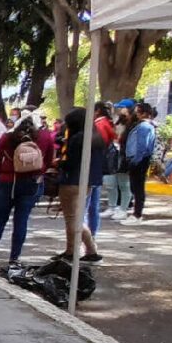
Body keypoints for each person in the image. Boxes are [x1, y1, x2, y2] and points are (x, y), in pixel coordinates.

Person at [0, 116, 55, 267]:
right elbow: (49, 160)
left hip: (7, 183)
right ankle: (14, 259)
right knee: (21, 221)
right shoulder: (45, 137)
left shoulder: (7, 137)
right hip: (31, 183)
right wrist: (38, 172)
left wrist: (5, 173)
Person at [55, 108, 104, 262]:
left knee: (72, 219)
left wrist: (59, 163)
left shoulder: (77, 139)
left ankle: (76, 250)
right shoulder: (96, 137)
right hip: (88, 182)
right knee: (76, 218)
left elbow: (70, 163)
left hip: (72, 181)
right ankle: (88, 249)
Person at [122, 102, 157, 225]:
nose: (136, 114)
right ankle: (136, 212)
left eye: (138, 112)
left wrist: (135, 160)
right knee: (135, 187)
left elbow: (142, 146)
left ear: (144, 113)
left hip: (139, 160)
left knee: (137, 187)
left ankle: (137, 214)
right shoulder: (144, 126)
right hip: (138, 159)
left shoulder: (144, 127)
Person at [84, 102, 115, 235]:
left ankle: (88, 238)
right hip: (98, 168)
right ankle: (92, 236)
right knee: (93, 206)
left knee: (87, 206)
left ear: (96, 111)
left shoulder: (99, 125)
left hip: (92, 167)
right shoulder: (106, 123)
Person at [103, 98, 135, 220]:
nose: (120, 110)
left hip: (124, 155)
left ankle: (123, 209)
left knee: (124, 184)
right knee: (110, 182)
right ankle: (112, 206)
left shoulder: (133, 124)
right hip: (114, 154)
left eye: (122, 107)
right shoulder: (118, 122)